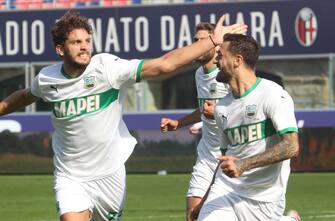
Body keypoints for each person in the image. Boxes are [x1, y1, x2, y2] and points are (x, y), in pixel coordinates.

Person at [0, 11, 247, 221]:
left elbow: (163, 64)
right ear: (60, 48)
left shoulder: (107, 68)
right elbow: (24, 96)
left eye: (87, 40)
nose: (85, 46)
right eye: (76, 42)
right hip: (70, 175)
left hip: (109, 173)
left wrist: (213, 41)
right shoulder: (47, 79)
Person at [194, 33, 301, 221]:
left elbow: (292, 146)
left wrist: (243, 164)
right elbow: (224, 161)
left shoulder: (273, 94)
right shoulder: (221, 108)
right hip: (226, 190)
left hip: (265, 199)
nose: (216, 60)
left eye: (220, 55)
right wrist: (203, 202)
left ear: (237, 60)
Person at [160, 22, 230, 221]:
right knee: (193, 216)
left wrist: (215, 112)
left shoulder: (227, 74)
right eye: (196, 40)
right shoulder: (199, 74)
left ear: (215, 44)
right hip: (207, 155)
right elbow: (203, 108)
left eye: (204, 40)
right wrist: (178, 123)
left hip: (231, 155)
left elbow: (243, 108)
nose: (198, 44)